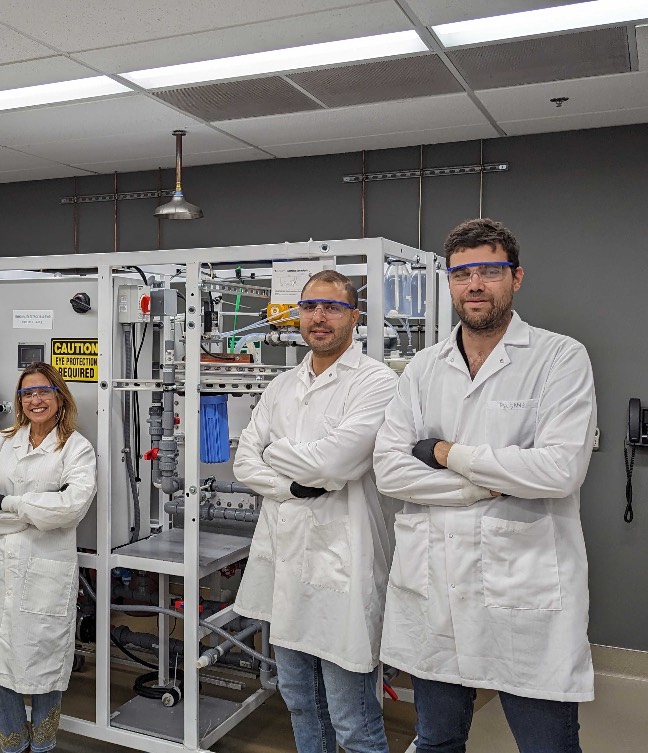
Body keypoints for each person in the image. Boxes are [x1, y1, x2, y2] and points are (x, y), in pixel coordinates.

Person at [374, 218, 597, 753]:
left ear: (515, 278)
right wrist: (485, 482)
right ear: (449, 283)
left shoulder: (559, 358)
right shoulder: (423, 368)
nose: (475, 285)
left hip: (523, 591)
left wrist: (447, 453)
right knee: (436, 740)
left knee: (547, 746)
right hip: (437, 587)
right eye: (462, 273)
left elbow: (559, 470)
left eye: (489, 271)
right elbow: (389, 469)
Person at [233, 270, 397, 753]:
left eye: (332, 307)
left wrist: (278, 453)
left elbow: (336, 464)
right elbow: (244, 459)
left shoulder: (377, 383)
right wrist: (295, 482)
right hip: (286, 563)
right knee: (299, 700)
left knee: (353, 719)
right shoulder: (282, 384)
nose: (319, 317)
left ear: (355, 317)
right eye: (309, 307)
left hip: (343, 564)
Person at [0, 362, 96, 753]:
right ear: (19, 400)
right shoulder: (1, 443)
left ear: (59, 397)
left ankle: (42, 745)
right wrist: (36, 515)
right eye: (27, 393)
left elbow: (71, 508)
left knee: (43, 661)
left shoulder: (76, 447)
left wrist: (9, 503)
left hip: (45, 572)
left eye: (43, 391)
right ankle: (12, 743)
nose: (35, 399)